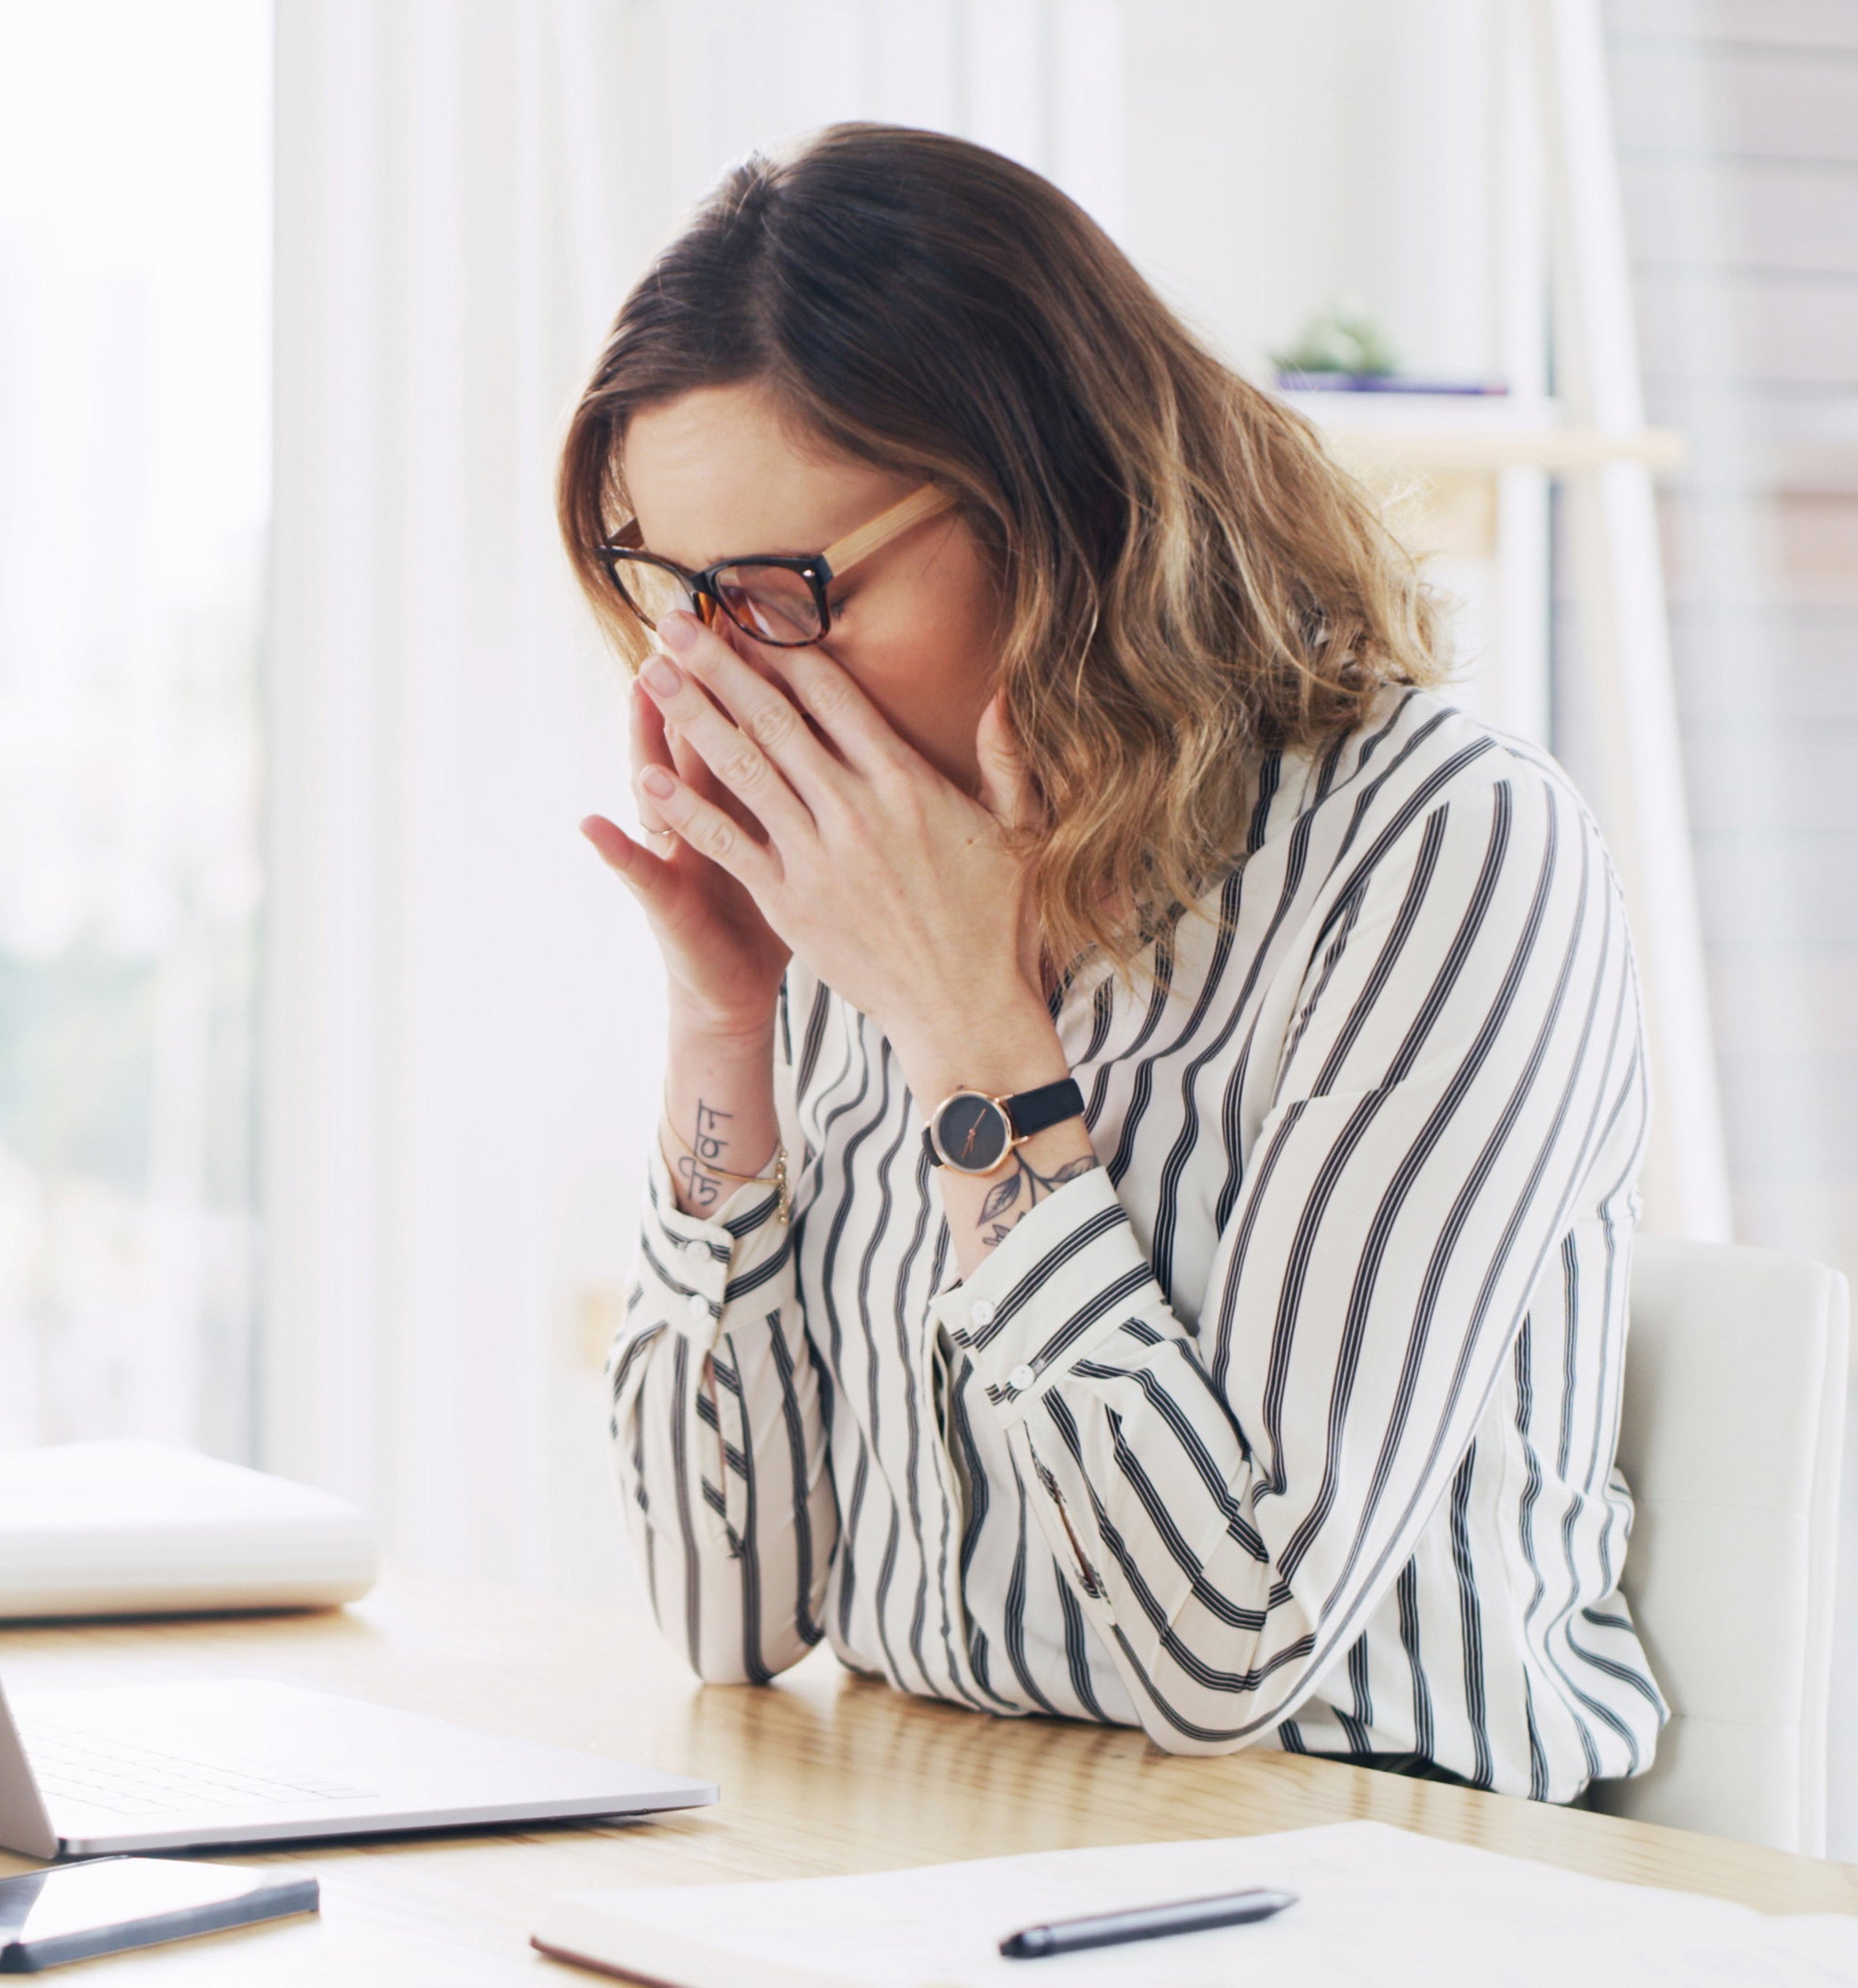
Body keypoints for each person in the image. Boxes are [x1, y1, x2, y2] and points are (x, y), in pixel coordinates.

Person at [571, 124, 1661, 1804]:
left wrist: (968, 1032)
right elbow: (729, 1609)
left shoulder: (1447, 848)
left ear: (1067, 507)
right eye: (676, 594)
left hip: (1392, 1864)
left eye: (782, 589)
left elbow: (1233, 1654)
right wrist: (726, 1019)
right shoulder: (874, 872)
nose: (726, 679)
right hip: (960, 1839)